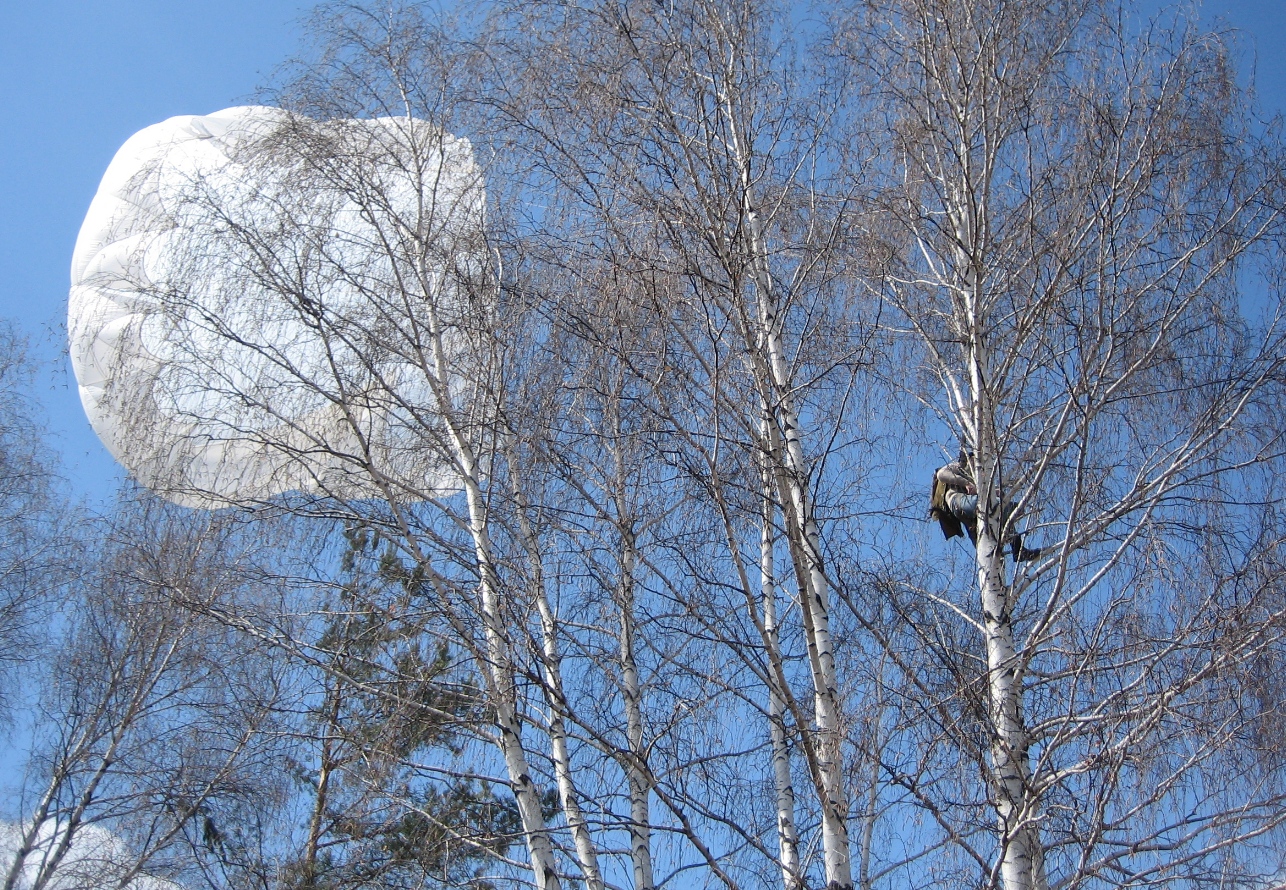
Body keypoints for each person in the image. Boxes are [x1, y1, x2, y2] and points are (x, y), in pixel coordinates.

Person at [929, 450, 1040, 562]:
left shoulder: (976, 477)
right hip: (958, 501)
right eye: (974, 461)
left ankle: (1014, 551)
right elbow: (941, 474)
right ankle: (1011, 509)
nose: (976, 465)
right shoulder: (957, 467)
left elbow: (988, 491)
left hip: (972, 514)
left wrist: (997, 492)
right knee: (994, 504)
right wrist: (966, 483)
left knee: (988, 536)